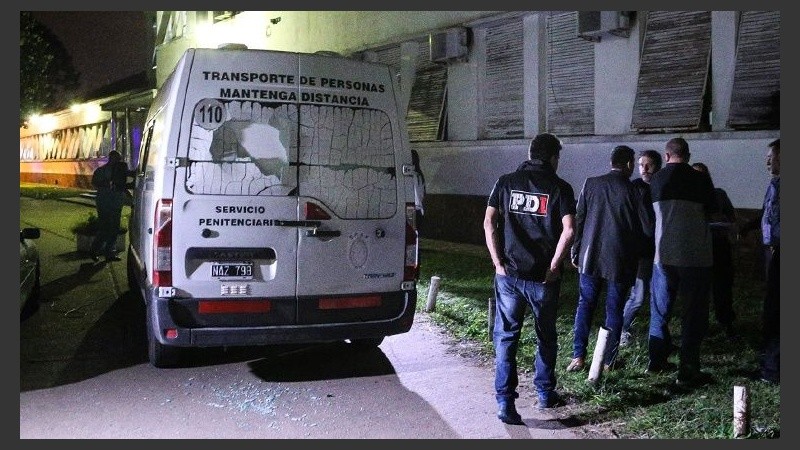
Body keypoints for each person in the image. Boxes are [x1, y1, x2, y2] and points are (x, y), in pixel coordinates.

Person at [483, 133, 575, 424]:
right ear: (553, 158)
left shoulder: (506, 181)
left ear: (530, 152)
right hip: (542, 279)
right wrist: (555, 265)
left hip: (508, 275)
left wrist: (497, 262)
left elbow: (488, 221)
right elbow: (569, 229)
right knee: (545, 335)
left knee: (507, 337)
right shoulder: (560, 188)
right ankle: (546, 394)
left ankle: (505, 404)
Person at [566, 145, 650, 373]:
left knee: (585, 305)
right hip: (621, 260)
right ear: (630, 164)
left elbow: (580, 219)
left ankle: (578, 356)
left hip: (590, 256)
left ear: (611, 162)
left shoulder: (590, 184)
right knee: (614, 310)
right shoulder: (634, 191)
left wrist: (576, 250)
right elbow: (647, 228)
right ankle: (607, 361)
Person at [647, 137, 716, 387]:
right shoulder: (700, 179)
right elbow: (713, 208)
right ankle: (688, 370)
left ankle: (656, 360)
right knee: (693, 314)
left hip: (662, 255)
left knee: (659, 310)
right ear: (687, 155)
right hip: (695, 256)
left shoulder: (656, 179)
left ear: (666, 156)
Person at [741, 139, 780, 384]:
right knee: (771, 308)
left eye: (771, 156)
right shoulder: (775, 183)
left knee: (777, 311)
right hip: (773, 251)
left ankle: (773, 369)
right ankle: (771, 363)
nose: (767, 161)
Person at [620, 150, 662, 347]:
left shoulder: (662, 186)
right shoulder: (634, 188)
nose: (644, 169)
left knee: (660, 294)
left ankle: (660, 334)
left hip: (662, 249)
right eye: (641, 165)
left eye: (649, 165)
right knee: (638, 295)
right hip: (642, 251)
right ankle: (621, 329)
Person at [691, 162, 738, 337]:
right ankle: (699, 325)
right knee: (698, 289)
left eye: (702, 175)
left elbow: (732, 218)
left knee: (723, 286)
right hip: (698, 247)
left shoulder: (719, 194)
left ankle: (726, 321)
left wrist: (723, 220)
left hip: (719, 245)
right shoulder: (688, 198)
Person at [90, 150, 132, 262]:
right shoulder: (102, 171)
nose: (118, 161)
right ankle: (94, 250)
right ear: (111, 158)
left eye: (119, 159)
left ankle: (109, 253)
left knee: (114, 228)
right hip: (105, 202)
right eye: (116, 159)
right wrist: (106, 183)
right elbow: (94, 182)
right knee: (104, 228)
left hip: (115, 202)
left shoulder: (121, 171)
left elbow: (123, 185)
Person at [411, 149, 426, 232]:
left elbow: (419, 193)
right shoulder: (419, 174)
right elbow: (422, 193)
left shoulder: (414, 175)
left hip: (413, 208)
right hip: (418, 208)